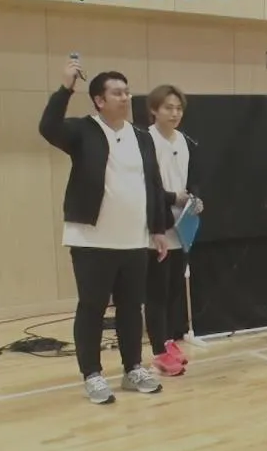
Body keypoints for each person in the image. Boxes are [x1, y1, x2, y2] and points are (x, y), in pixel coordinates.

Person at [39, 57, 170, 404]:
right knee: (92, 308)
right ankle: (92, 374)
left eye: (127, 92)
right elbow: (48, 127)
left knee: (131, 308)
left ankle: (133, 369)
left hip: (134, 239)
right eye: (117, 93)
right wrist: (65, 87)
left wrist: (158, 229)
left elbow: (153, 184)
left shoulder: (142, 137)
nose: (126, 97)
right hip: (92, 240)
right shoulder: (82, 131)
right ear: (99, 100)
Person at [145, 85, 203, 377]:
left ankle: (168, 341)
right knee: (156, 292)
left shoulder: (184, 140)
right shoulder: (146, 141)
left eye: (178, 108)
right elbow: (148, 187)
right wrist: (172, 198)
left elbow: (191, 180)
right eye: (168, 107)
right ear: (154, 110)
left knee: (173, 291)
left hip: (181, 226)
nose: (174, 113)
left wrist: (195, 199)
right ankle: (159, 351)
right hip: (156, 226)